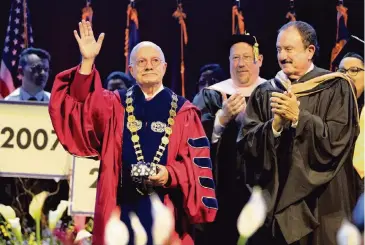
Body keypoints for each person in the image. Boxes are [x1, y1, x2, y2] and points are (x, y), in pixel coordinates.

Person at [49, 20, 217, 245]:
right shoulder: (114, 104)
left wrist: (169, 174)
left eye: (155, 61)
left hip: (167, 212)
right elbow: (82, 106)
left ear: (165, 67)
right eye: (141, 61)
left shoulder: (184, 112)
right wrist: (88, 62)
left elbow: (196, 167)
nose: (149, 66)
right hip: (119, 211)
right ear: (131, 69)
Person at [238, 21, 362, 245]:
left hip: (325, 204)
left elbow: (339, 140)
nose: (282, 55)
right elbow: (246, 146)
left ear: (310, 51)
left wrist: (299, 118)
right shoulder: (265, 92)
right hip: (278, 206)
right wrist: (273, 128)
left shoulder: (336, 87)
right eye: (278, 49)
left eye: (289, 49)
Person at [193, 34, 265, 245]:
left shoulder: (274, 92)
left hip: (264, 194)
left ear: (258, 60)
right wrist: (221, 120)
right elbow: (192, 142)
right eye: (235, 58)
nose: (240, 63)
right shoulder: (211, 95)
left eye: (246, 57)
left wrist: (248, 123)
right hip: (221, 195)